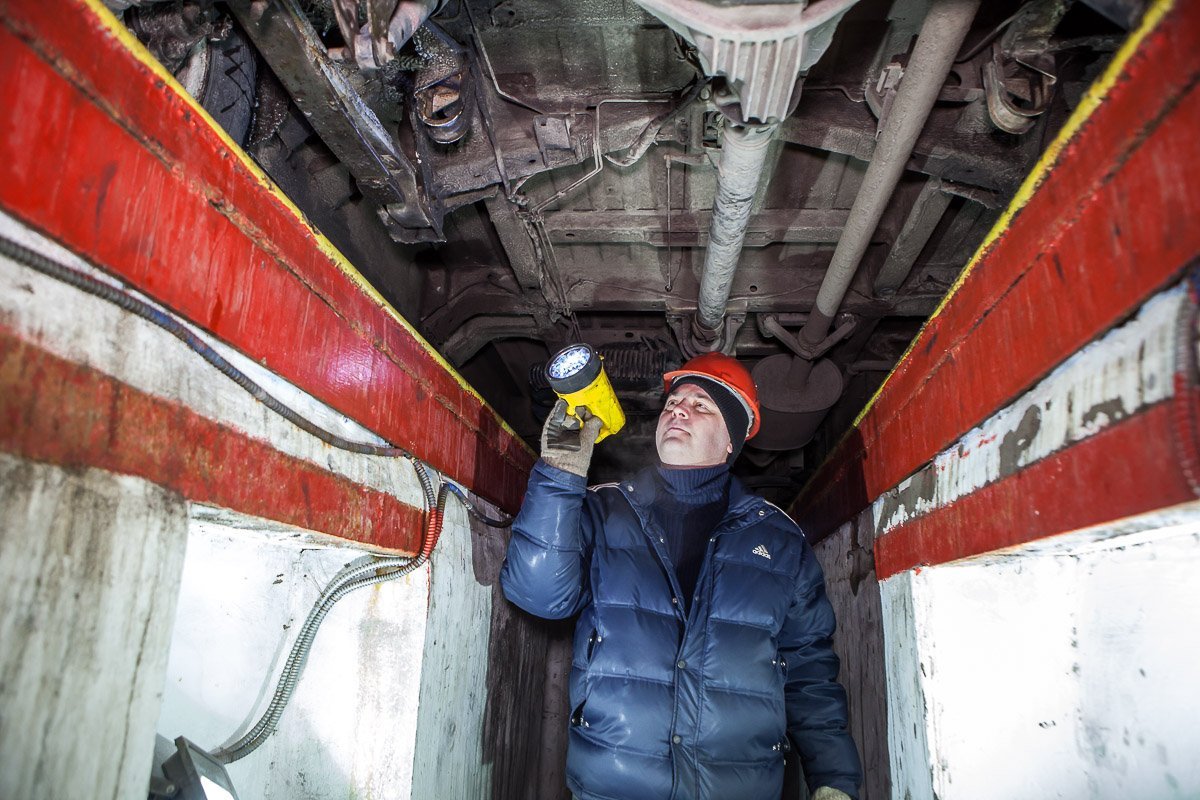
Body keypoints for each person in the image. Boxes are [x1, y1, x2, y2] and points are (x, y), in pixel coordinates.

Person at [501, 352, 862, 800]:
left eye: (701, 404)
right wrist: (560, 473)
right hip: (615, 789)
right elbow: (538, 595)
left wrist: (834, 780)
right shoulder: (601, 509)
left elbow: (809, 671)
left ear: (731, 439)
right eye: (673, 402)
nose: (678, 410)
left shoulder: (780, 540)